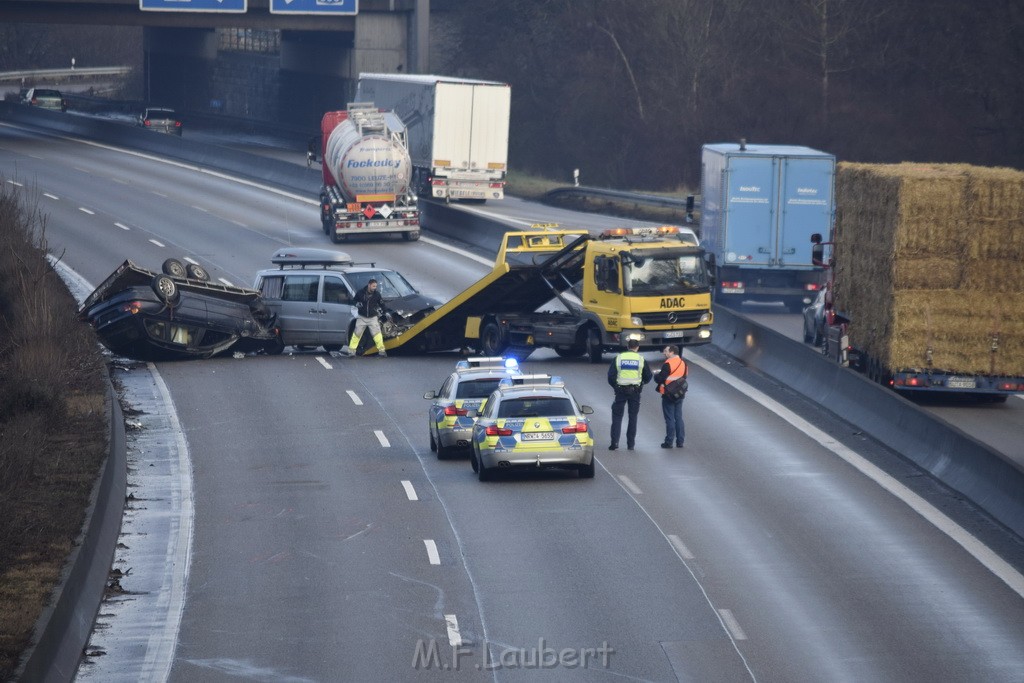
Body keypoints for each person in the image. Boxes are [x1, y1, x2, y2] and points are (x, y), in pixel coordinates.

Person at [607, 336, 652, 450]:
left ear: (627, 347)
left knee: (617, 417)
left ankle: (615, 443)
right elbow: (648, 376)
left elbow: (611, 376)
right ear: (637, 347)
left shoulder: (619, 358)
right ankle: (630, 444)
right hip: (635, 392)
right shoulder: (641, 359)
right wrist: (641, 383)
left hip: (620, 391)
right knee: (633, 417)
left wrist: (616, 387)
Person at [341, 279, 388, 357]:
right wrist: (357, 304)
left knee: (377, 335)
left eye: (375, 286)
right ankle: (351, 352)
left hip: (373, 317)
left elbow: (382, 304)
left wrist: (386, 312)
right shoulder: (360, 293)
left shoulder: (377, 294)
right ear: (369, 285)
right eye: (373, 286)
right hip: (361, 317)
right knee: (356, 334)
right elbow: (353, 301)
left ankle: (382, 351)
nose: (374, 288)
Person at [654, 345, 688, 448]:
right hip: (680, 394)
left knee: (669, 418)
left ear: (672, 352)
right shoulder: (684, 363)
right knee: (678, 417)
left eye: (666, 351)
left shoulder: (668, 364)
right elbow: (684, 377)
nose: (664, 353)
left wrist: (656, 375)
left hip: (668, 394)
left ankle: (669, 442)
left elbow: (660, 379)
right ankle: (680, 441)